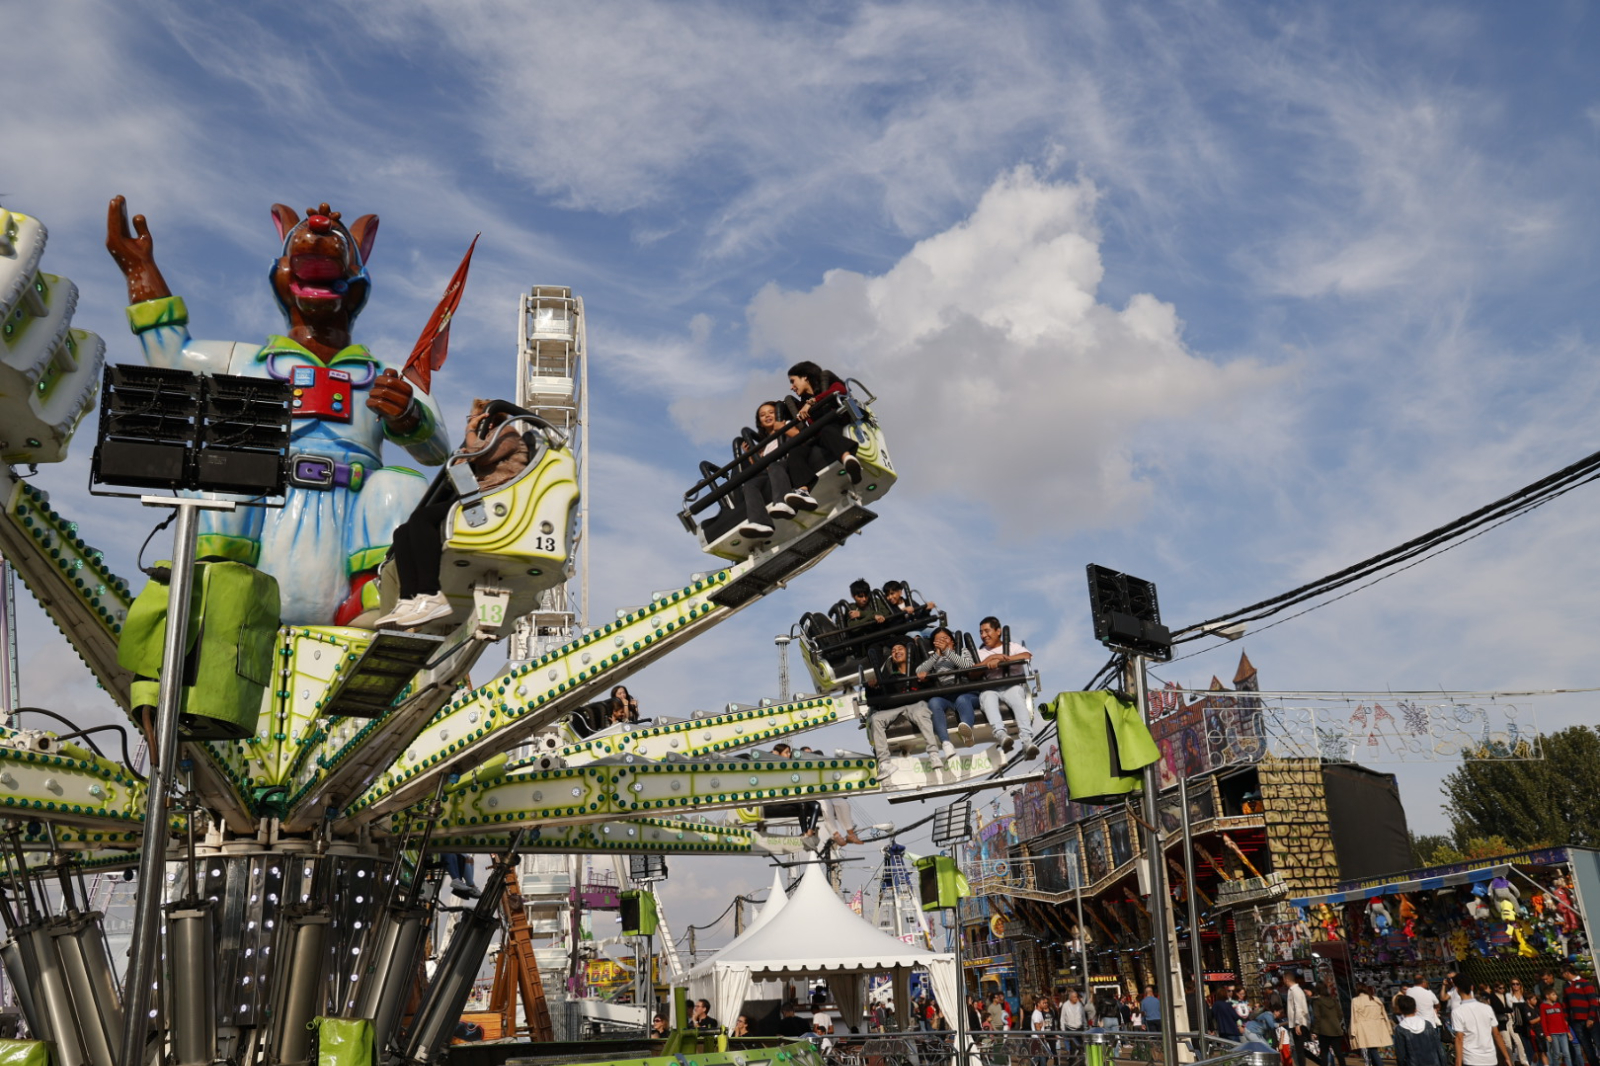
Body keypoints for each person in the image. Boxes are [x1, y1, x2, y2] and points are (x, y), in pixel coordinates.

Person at [377, 398, 532, 628]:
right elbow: (466, 467)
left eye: (473, 419)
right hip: (478, 499)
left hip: (496, 500)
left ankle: (431, 594)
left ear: (487, 420)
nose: (469, 423)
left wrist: (471, 433)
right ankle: (408, 600)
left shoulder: (506, 434)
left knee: (423, 519)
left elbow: (480, 454)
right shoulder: (482, 442)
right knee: (403, 532)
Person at [864, 641, 945, 780]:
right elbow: (878, 699)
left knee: (921, 712)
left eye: (900, 648)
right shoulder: (890, 677)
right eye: (893, 651)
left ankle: (933, 753)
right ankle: (884, 763)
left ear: (908, 652)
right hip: (896, 707)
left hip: (915, 704)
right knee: (876, 719)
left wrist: (926, 680)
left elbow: (933, 686)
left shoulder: (918, 669)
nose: (896, 652)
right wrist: (872, 687)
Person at [785, 360, 862, 484]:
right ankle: (803, 490)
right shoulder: (800, 405)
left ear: (804, 377)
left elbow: (840, 390)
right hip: (817, 437)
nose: (791, 387)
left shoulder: (830, 385)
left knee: (826, 430)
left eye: (793, 381)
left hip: (835, 426)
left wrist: (812, 402)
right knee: (795, 451)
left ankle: (848, 460)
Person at [975, 617, 1036, 755]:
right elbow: (973, 670)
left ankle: (1027, 740)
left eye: (986, 631)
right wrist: (989, 660)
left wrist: (1005, 658)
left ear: (998, 631)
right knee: (987, 698)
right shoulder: (981, 652)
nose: (983, 635)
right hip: (991, 688)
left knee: (1016, 697)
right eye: (981, 632)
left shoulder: (1012, 646)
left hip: (1011, 686)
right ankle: (1001, 735)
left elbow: (1027, 655)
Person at [917, 626, 980, 753]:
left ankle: (967, 732)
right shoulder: (933, 657)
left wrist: (948, 652)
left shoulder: (962, 651)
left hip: (966, 693)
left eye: (945, 638)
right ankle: (945, 742)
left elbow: (969, 666)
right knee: (934, 702)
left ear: (952, 641)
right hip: (946, 696)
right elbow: (919, 671)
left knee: (962, 699)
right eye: (938, 640)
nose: (942, 642)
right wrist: (936, 656)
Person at [1453, 976, 1511, 1066]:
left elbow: (1459, 1038)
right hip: (1490, 1058)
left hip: (1471, 1059)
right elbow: (1496, 1034)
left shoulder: (1457, 1011)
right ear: (1472, 987)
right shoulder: (1487, 1008)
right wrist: (1507, 1058)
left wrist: (1458, 1063)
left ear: (1457, 989)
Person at [1392, 994, 1446, 1066]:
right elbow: (1439, 1047)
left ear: (1401, 1010)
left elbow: (1400, 1054)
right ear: (1415, 1008)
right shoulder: (1427, 1024)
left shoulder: (1400, 1029)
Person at [1563, 966, 1599, 1066]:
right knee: (1586, 1046)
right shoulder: (1566, 986)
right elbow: (1566, 1004)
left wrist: (1591, 1018)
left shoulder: (1585, 983)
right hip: (1576, 1021)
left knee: (1598, 1042)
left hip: (1590, 1019)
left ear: (1567, 973)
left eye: (1562, 973)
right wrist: (1566, 1019)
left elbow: (1593, 1002)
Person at [1349, 984, 1390, 1066]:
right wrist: (1388, 1028)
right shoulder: (1376, 999)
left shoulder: (1356, 1000)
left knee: (1372, 1050)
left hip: (1364, 1028)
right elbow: (1384, 1014)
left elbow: (1354, 1017)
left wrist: (1353, 1031)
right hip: (1378, 1026)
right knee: (1373, 1049)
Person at [1311, 983, 1349, 1065]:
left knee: (1324, 1053)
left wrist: (1315, 1031)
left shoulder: (1317, 1002)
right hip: (1336, 1029)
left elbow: (1317, 1017)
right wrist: (1336, 1022)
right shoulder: (1333, 1000)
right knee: (1339, 1053)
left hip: (1323, 1031)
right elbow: (1340, 1014)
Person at [1507, 979, 1538, 1066]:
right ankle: (1525, 1062)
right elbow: (1510, 1007)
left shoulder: (1524, 995)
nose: (1515, 986)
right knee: (1518, 1042)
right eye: (1513, 984)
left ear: (1520, 985)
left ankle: (1530, 1061)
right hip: (1513, 1021)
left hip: (1526, 1021)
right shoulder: (1508, 995)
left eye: (1517, 984)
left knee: (1529, 1041)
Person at [1285, 971, 1311, 1066]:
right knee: (1299, 1049)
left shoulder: (1296, 991)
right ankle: (1319, 1061)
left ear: (1287, 980)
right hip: (1295, 1023)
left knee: (1300, 1051)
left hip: (1299, 1024)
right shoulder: (1292, 990)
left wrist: (1298, 1024)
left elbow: (1298, 1008)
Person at [1544, 990, 1576, 1066]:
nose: (1556, 996)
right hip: (1553, 1033)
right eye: (1553, 994)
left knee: (1566, 1053)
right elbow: (1543, 1021)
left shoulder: (1558, 1005)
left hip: (1563, 1033)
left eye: (1556, 994)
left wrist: (1568, 1032)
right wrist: (1547, 1034)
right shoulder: (1543, 1006)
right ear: (1547, 996)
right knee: (1557, 1054)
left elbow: (1563, 1019)